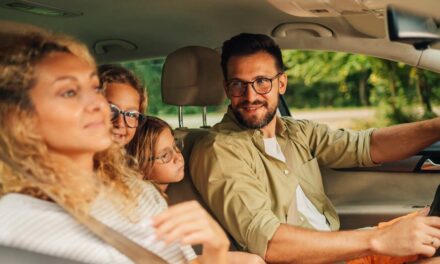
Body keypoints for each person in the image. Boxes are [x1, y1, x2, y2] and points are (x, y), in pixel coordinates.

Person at [189, 33, 440, 263]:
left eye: (262, 81)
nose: (250, 95)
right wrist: (376, 240)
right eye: (238, 84)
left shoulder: (297, 132)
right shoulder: (219, 151)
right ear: (226, 89)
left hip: (342, 255)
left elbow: (368, 145)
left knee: (433, 225)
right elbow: (270, 243)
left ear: (282, 83)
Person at [0, 32, 229, 264]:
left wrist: (215, 252)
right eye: (69, 92)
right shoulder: (14, 222)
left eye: (95, 88)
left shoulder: (141, 192)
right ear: (20, 117)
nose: (97, 105)